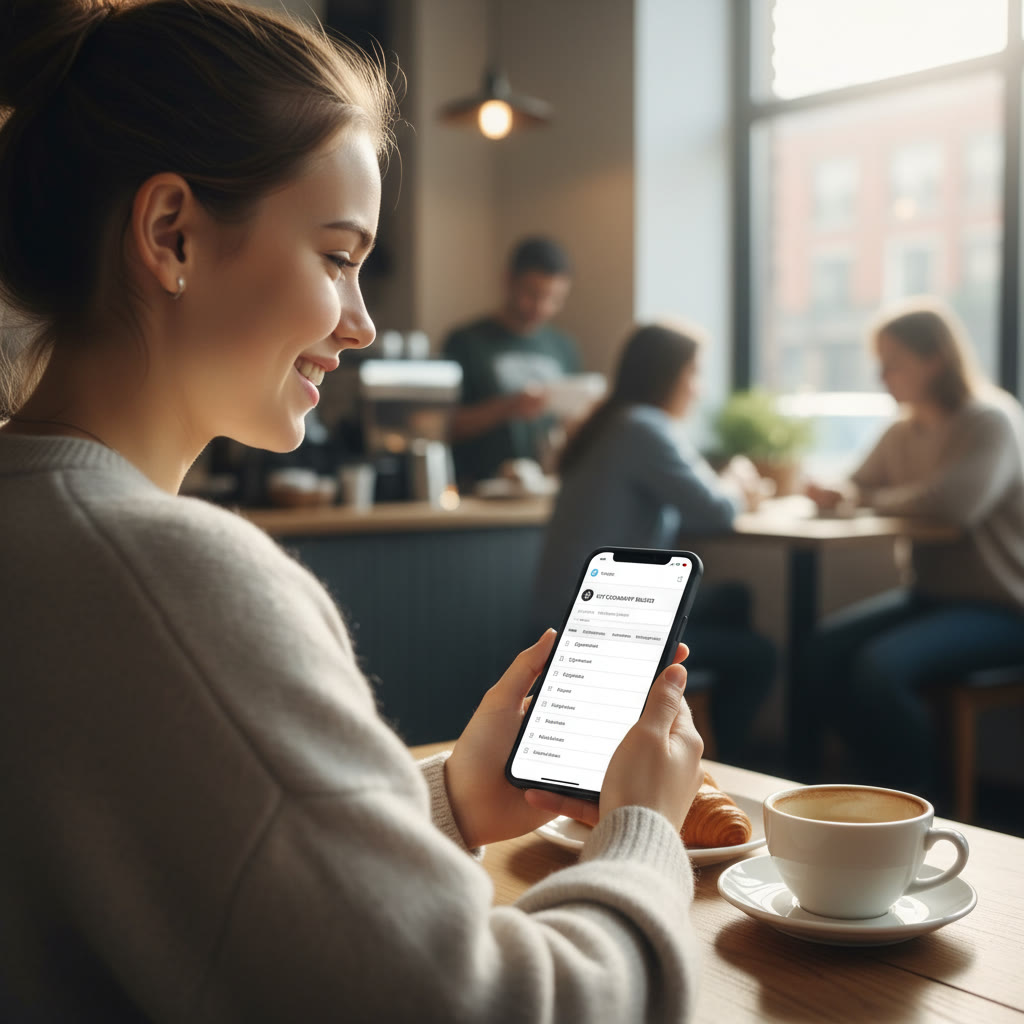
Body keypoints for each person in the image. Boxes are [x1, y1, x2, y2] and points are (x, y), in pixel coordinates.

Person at [0, 2, 707, 1020]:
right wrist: (641, 831)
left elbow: (149, 862)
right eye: (337, 256)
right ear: (170, 232)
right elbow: (489, 1007)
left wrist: (446, 798)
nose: (364, 322)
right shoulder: (165, 575)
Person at [805, 298, 1024, 800]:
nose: (882, 376)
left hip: (1003, 605)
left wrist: (866, 498)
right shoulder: (903, 429)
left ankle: (916, 798)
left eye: (893, 363)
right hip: (930, 595)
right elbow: (856, 482)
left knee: (880, 666)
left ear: (936, 359)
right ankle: (862, 782)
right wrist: (838, 490)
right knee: (820, 650)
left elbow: (954, 504)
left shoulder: (989, 420)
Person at [533, 321, 776, 767]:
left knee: (735, 599)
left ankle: (694, 743)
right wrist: (739, 482)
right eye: (694, 373)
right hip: (602, 623)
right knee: (759, 655)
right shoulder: (641, 427)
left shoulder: (612, 422)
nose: (698, 390)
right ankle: (725, 766)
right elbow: (716, 509)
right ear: (668, 375)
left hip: (574, 608)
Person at [443, 236, 582, 485]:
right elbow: (445, 426)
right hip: (478, 489)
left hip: (543, 488)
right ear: (509, 281)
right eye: (532, 294)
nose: (542, 307)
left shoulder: (562, 347)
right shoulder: (466, 342)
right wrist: (510, 407)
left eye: (554, 299)